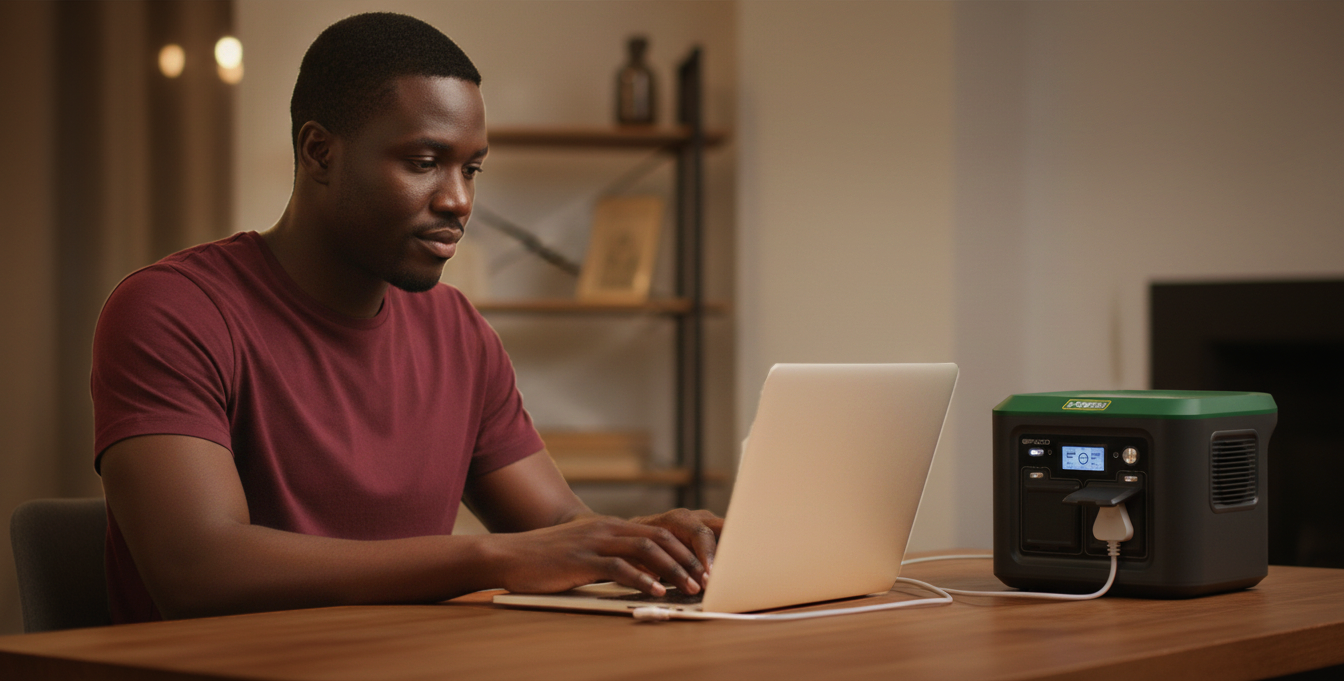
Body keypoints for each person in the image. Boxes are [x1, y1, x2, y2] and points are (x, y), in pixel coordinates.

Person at [92, 12, 721, 624]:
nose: (459, 200)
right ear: (319, 152)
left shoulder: (459, 332)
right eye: (424, 163)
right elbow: (197, 569)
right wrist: (489, 557)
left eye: (471, 169)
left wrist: (649, 543)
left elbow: (556, 525)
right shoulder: (174, 311)